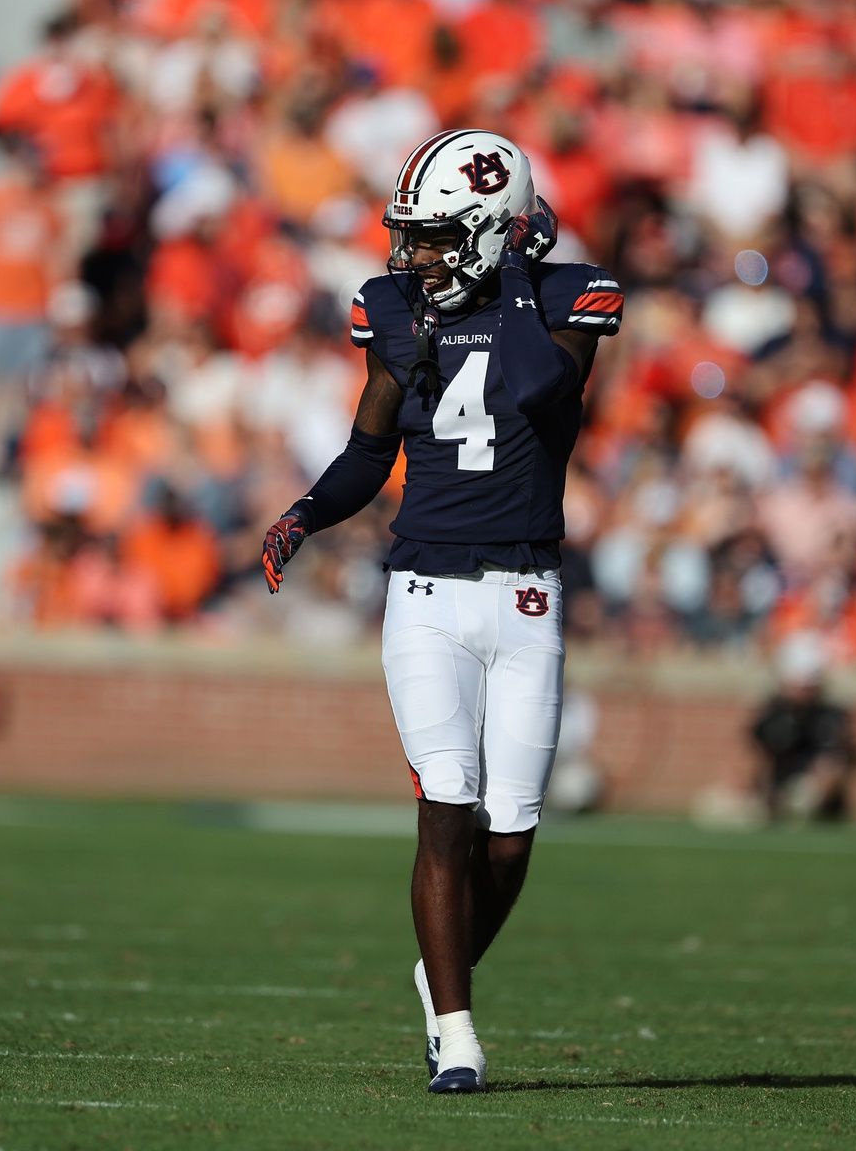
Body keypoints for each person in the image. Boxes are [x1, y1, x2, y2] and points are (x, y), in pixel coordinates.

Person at [259, 130, 623, 1094]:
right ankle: (455, 1031)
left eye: (429, 237)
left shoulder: (564, 294)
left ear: (490, 233)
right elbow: (371, 448)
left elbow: (546, 389)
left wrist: (502, 283)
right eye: (408, 237)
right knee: (447, 805)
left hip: (527, 593)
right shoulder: (391, 309)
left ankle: (441, 967)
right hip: (422, 592)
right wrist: (306, 515)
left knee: (512, 832)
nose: (408, 256)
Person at [749, 633, 856, 822]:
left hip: (814, 793)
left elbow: (836, 762)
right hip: (777, 788)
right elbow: (755, 753)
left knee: (820, 779)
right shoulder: (772, 712)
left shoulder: (831, 714)